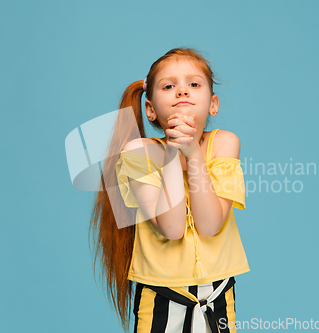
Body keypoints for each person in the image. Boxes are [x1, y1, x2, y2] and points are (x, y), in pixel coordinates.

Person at [90, 47, 249, 333]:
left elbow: (210, 224)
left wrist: (195, 156)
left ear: (213, 104)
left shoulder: (225, 143)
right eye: (169, 86)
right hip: (161, 296)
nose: (182, 92)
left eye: (194, 84)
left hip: (217, 295)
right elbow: (172, 228)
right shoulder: (140, 151)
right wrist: (175, 153)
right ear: (150, 109)